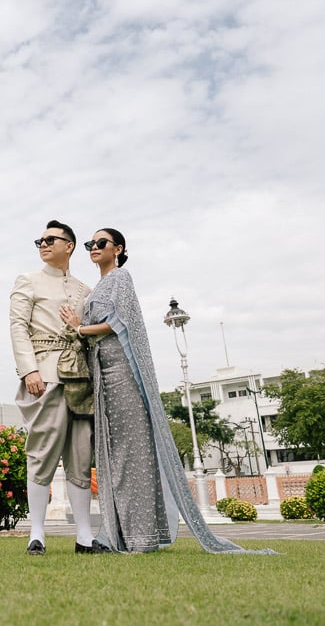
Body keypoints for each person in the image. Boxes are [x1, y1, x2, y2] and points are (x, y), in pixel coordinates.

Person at [61, 228, 272, 554]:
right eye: (90, 244)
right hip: (102, 375)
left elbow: (119, 323)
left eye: (101, 243)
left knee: (133, 453)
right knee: (114, 454)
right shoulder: (96, 289)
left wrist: (79, 327)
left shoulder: (121, 278)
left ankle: (141, 536)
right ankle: (121, 534)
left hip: (123, 372)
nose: (94, 247)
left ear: (118, 249)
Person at [9, 220, 95, 555]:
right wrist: (29, 369)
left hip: (80, 377)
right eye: (40, 241)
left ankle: (84, 536)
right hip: (44, 375)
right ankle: (37, 534)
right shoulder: (28, 280)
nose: (43, 245)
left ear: (69, 246)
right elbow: (18, 326)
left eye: (50, 240)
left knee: (80, 454)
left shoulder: (85, 290)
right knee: (41, 452)